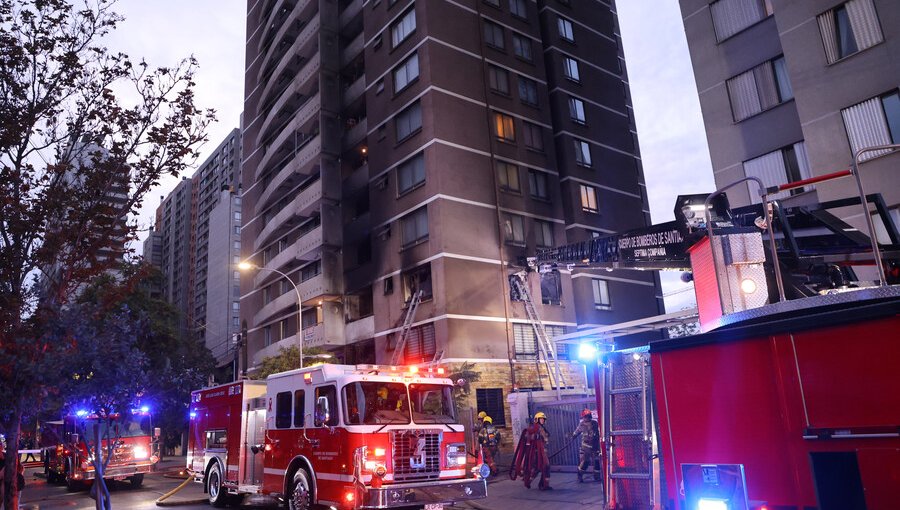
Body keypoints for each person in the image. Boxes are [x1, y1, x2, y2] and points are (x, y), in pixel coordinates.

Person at [510, 412, 552, 490]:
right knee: (542, 467)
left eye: (543, 419)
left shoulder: (542, 428)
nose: (542, 420)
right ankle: (535, 483)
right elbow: (527, 436)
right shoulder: (535, 428)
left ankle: (540, 484)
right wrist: (535, 437)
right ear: (537, 420)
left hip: (543, 452)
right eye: (541, 419)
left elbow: (545, 439)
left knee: (541, 468)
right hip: (537, 453)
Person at [572, 409, 602, 482]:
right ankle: (580, 475)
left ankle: (597, 476)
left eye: (589, 416)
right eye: (586, 416)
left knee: (597, 461)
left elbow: (599, 431)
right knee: (585, 462)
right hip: (586, 447)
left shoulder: (595, 423)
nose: (587, 418)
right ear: (583, 417)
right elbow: (577, 432)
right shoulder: (582, 424)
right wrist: (573, 435)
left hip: (595, 446)